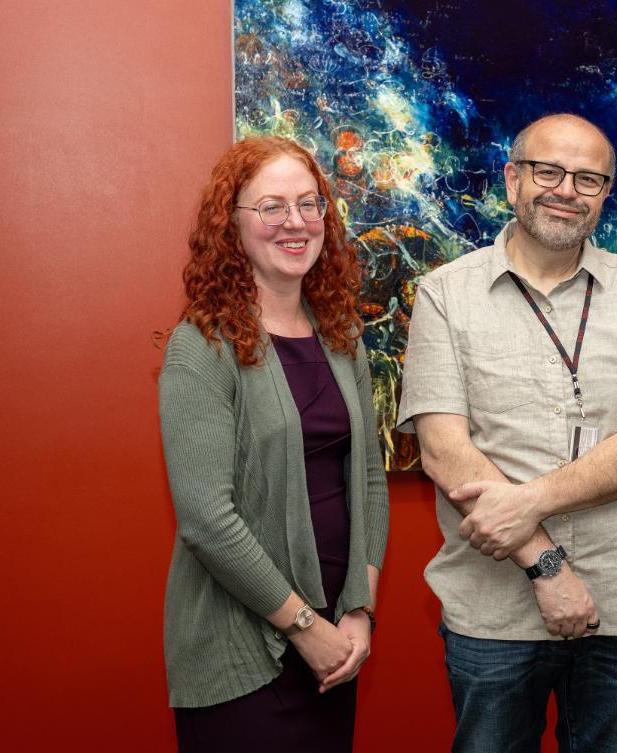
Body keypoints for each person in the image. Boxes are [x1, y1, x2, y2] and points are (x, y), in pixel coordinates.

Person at [396, 113, 617, 753]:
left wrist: (528, 501)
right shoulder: (445, 294)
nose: (566, 190)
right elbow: (447, 453)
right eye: (548, 171)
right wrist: (548, 568)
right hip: (493, 614)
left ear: (606, 193)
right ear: (512, 180)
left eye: (588, 178)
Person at [159, 136, 389, 752]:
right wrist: (305, 627)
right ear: (230, 225)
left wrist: (359, 611)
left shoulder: (344, 337)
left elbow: (368, 480)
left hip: (339, 645)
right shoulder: (202, 346)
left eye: (310, 204)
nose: (296, 222)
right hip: (244, 654)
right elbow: (207, 520)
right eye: (271, 207)